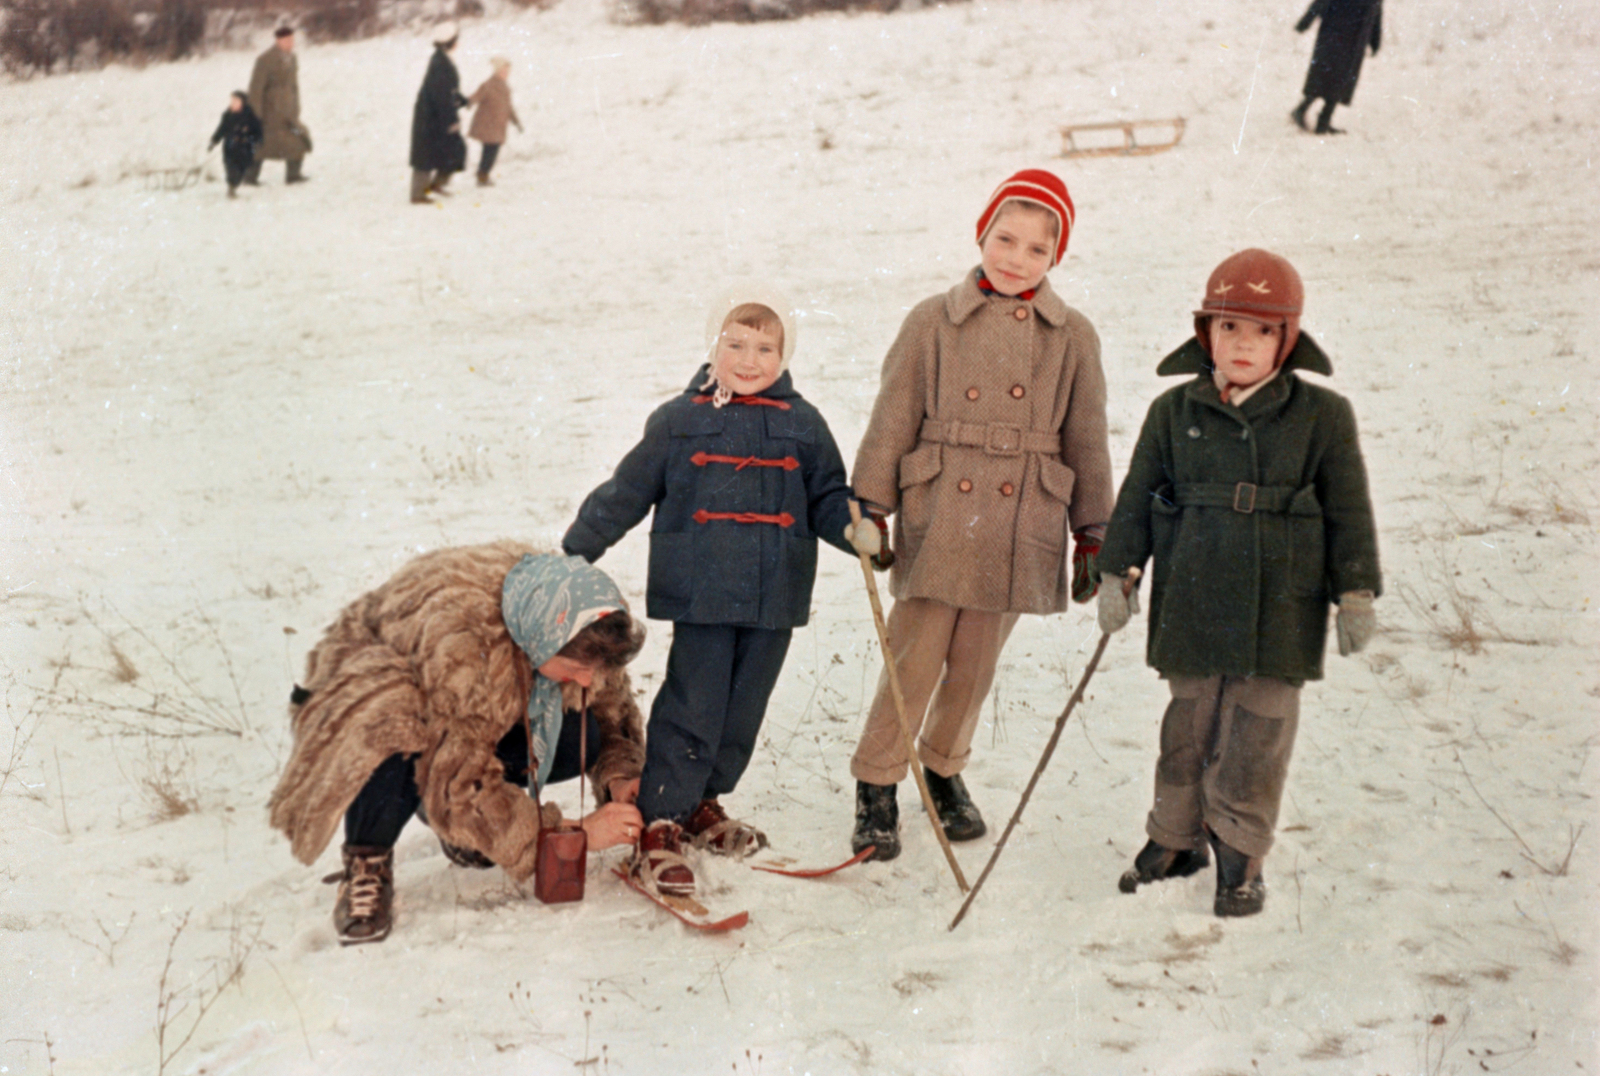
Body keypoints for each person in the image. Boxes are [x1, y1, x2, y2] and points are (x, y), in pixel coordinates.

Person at [1096, 249, 1381, 918]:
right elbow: (1139, 494)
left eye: (1260, 330)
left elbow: (1348, 508)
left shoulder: (1322, 415)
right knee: (1188, 719)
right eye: (1228, 328)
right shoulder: (1174, 410)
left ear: (1288, 338)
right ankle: (1175, 836)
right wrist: (1117, 572)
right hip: (1193, 585)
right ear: (1206, 335)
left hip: (1284, 598)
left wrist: (1356, 591)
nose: (1243, 344)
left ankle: (1240, 850)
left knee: (1259, 727)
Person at [562, 288, 869, 899]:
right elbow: (626, 491)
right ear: (713, 344)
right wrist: (572, 555)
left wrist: (854, 528)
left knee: (741, 713)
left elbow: (829, 494)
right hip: (702, 592)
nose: (748, 359)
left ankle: (703, 800)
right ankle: (660, 824)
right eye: (735, 343)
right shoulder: (680, 420)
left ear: (785, 355)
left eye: (764, 347)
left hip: (773, 594)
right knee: (691, 707)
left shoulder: (804, 425)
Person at [846, 169, 1114, 862]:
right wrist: (871, 505)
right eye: (1005, 238)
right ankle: (877, 784)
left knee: (975, 662)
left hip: (1021, 515)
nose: (1015, 259)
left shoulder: (1073, 336)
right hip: (942, 511)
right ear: (982, 234)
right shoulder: (932, 320)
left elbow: (1087, 435)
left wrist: (1095, 533)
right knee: (916, 655)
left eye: (1035, 249)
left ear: (1055, 259)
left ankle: (943, 767)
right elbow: (893, 416)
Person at [268, 544, 648, 945]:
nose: (588, 680)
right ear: (542, 640)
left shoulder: (577, 618)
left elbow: (612, 714)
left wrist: (620, 777)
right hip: (383, 703)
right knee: (401, 739)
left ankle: (469, 834)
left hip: (471, 714)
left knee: (579, 731)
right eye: (574, 668)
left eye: (595, 669)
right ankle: (367, 861)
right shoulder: (465, 646)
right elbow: (454, 778)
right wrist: (572, 831)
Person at [1291, 0, 1383, 135]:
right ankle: (1301, 109)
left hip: (1356, 39)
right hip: (1334, 32)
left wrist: (1375, 40)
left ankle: (1324, 121)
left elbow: (1376, 11)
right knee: (1325, 74)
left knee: (1342, 79)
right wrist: (1306, 21)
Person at [410, 22, 468, 203]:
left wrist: (461, 98)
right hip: (432, 117)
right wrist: (451, 121)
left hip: (435, 115)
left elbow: (447, 90)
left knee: (452, 149)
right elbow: (441, 95)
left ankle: (436, 184)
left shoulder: (442, 58)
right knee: (426, 155)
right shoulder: (440, 64)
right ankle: (418, 194)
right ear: (450, 42)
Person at [245, 26, 310, 185]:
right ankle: (249, 177)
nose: (290, 43)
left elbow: (294, 85)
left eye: (292, 40)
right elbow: (255, 89)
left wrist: (296, 106)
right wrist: (255, 116)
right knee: (261, 146)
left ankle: (293, 175)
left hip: (287, 111)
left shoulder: (292, 58)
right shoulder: (265, 60)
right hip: (269, 112)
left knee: (297, 140)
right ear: (278, 41)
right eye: (287, 40)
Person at [467, 57, 523, 187]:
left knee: (491, 151)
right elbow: (476, 96)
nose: (506, 74)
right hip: (487, 125)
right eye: (503, 71)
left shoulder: (505, 87)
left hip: (497, 126)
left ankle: (482, 174)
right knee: (490, 151)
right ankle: (482, 176)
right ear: (497, 71)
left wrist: (516, 122)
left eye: (507, 71)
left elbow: (509, 107)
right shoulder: (488, 85)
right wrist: (467, 102)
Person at [208, 90, 262, 199]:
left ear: (243, 102)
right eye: (232, 101)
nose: (233, 103)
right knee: (230, 167)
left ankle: (235, 183)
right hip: (230, 147)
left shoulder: (250, 116)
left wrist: (257, 141)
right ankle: (231, 187)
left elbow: (258, 130)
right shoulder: (227, 115)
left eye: (236, 101)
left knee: (241, 168)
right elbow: (221, 129)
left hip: (245, 148)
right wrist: (214, 141)